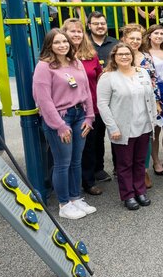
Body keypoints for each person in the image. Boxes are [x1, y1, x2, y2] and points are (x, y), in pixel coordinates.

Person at [32, 29, 96, 220]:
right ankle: (64, 203)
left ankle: (75, 198)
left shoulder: (75, 62)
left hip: (80, 115)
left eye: (65, 42)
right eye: (57, 42)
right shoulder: (44, 67)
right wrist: (59, 125)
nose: (62, 45)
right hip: (60, 118)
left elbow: (85, 91)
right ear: (49, 45)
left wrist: (89, 117)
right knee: (63, 162)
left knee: (77, 161)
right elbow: (43, 99)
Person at [97, 43, 157, 210]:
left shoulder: (142, 72)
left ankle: (140, 191)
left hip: (143, 125)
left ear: (132, 56)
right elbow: (102, 104)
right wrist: (112, 128)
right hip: (122, 129)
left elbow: (150, 97)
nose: (124, 57)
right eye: (120, 54)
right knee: (124, 165)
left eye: (127, 54)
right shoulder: (108, 77)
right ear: (114, 57)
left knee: (139, 162)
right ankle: (128, 195)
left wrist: (152, 120)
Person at [61, 19, 103, 196]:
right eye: (72, 31)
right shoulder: (60, 56)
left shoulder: (91, 54)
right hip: (69, 108)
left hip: (92, 106)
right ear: (64, 34)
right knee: (69, 149)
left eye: (79, 31)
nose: (76, 34)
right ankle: (69, 185)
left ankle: (88, 181)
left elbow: (100, 77)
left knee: (90, 146)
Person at [121, 23, 162, 189]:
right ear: (125, 39)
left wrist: (157, 101)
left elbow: (154, 79)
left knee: (146, 139)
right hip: (126, 104)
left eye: (138, 38)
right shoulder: (120, 55)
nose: (135, 41)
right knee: (127, 139)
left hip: (147, 103)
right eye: (132, 38)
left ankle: (143, 171)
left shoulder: (146, 56)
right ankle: (126, 172)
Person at [85, 11, 117, 184]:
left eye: (103, 23)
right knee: (96, 137)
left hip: (115, 98)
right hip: (94, 99)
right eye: (96, 23)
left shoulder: (115, 43)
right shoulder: (84, 44)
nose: (100, 26)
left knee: (117, 134)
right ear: (89, 26)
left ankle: (120, 166)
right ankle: (98, 169)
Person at [143, 24, 163, 175]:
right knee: (155, 130)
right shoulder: (145, 54)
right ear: (149, 35)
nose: (159, 36)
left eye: (161, 34)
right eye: (156, 33)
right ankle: (156, 161)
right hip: (154, 92)